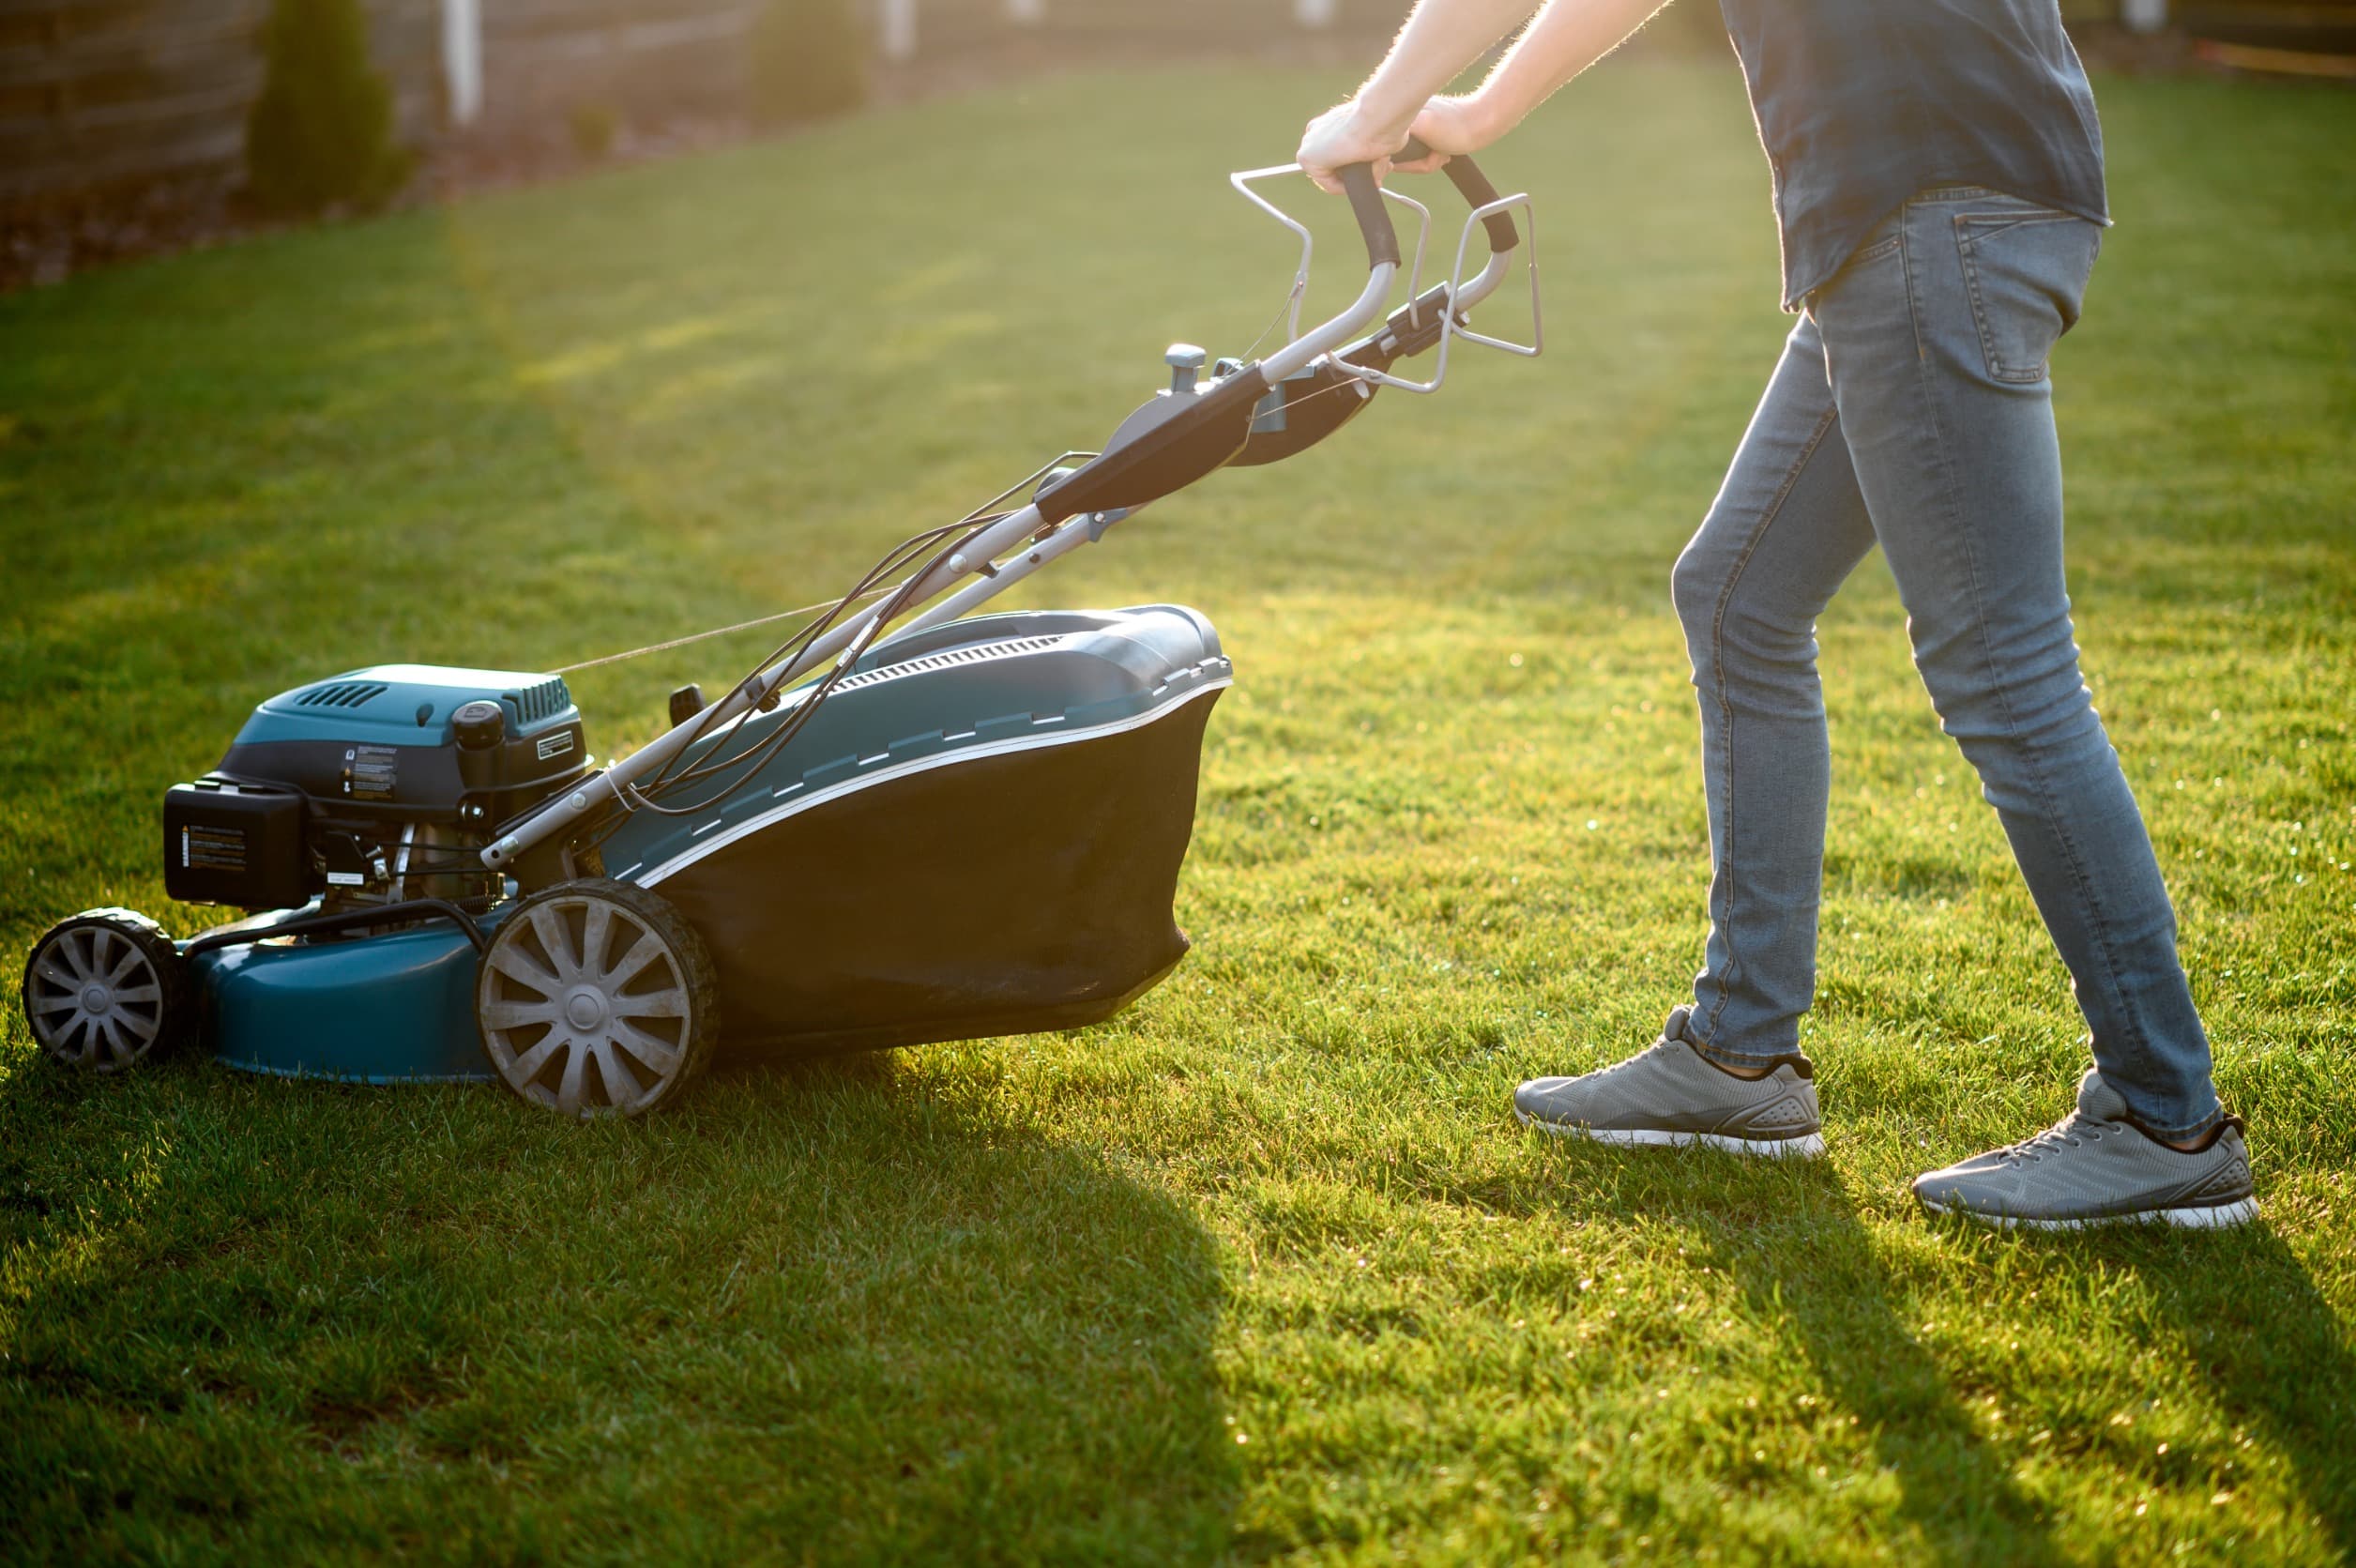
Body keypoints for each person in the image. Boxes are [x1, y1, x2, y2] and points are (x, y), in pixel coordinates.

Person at [1298, 0, 2256, 1230]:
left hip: (1932, 204)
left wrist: (1371, 116)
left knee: (2004, 667)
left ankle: (2163, 1118)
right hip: (1916, 211)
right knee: (1740, 597)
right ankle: (1737, 1059)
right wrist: (1478, 112)